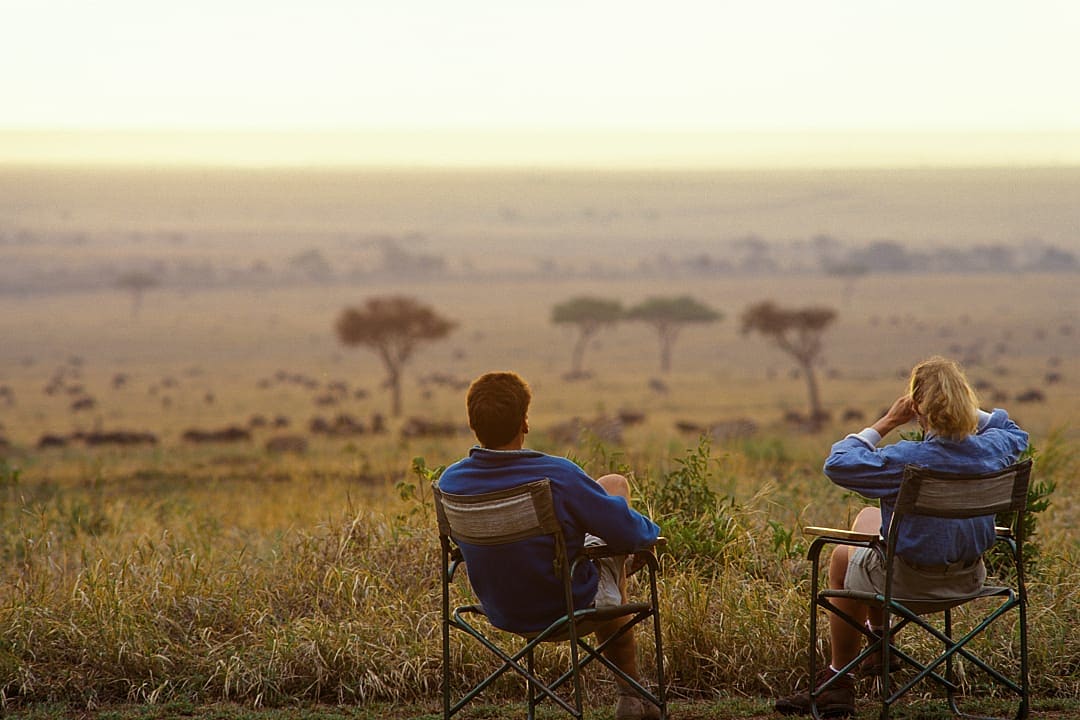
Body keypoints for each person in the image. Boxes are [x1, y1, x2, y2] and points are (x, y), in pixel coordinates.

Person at [775, 356, 1029, 717]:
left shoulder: (907, 459)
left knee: (842, 556)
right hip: (969, 580)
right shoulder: (993, 450)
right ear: (964, 401)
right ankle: (879, 646)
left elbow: (838, 463)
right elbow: (1017, 432)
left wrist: (888, 421)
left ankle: (838, 681)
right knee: (868, 520)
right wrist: (967, 409)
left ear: (918, 410)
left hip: (903, 584)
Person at [438, 371, 662, 720]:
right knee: (614, 486)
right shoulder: (557, 475)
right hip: (567, 608)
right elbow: (632, 534)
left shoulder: (451, 482)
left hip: (500, 610)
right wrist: (651, 535)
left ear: (472, 423)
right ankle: (630, 694)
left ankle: (632, 697)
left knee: (601, 523)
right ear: (524, 422)